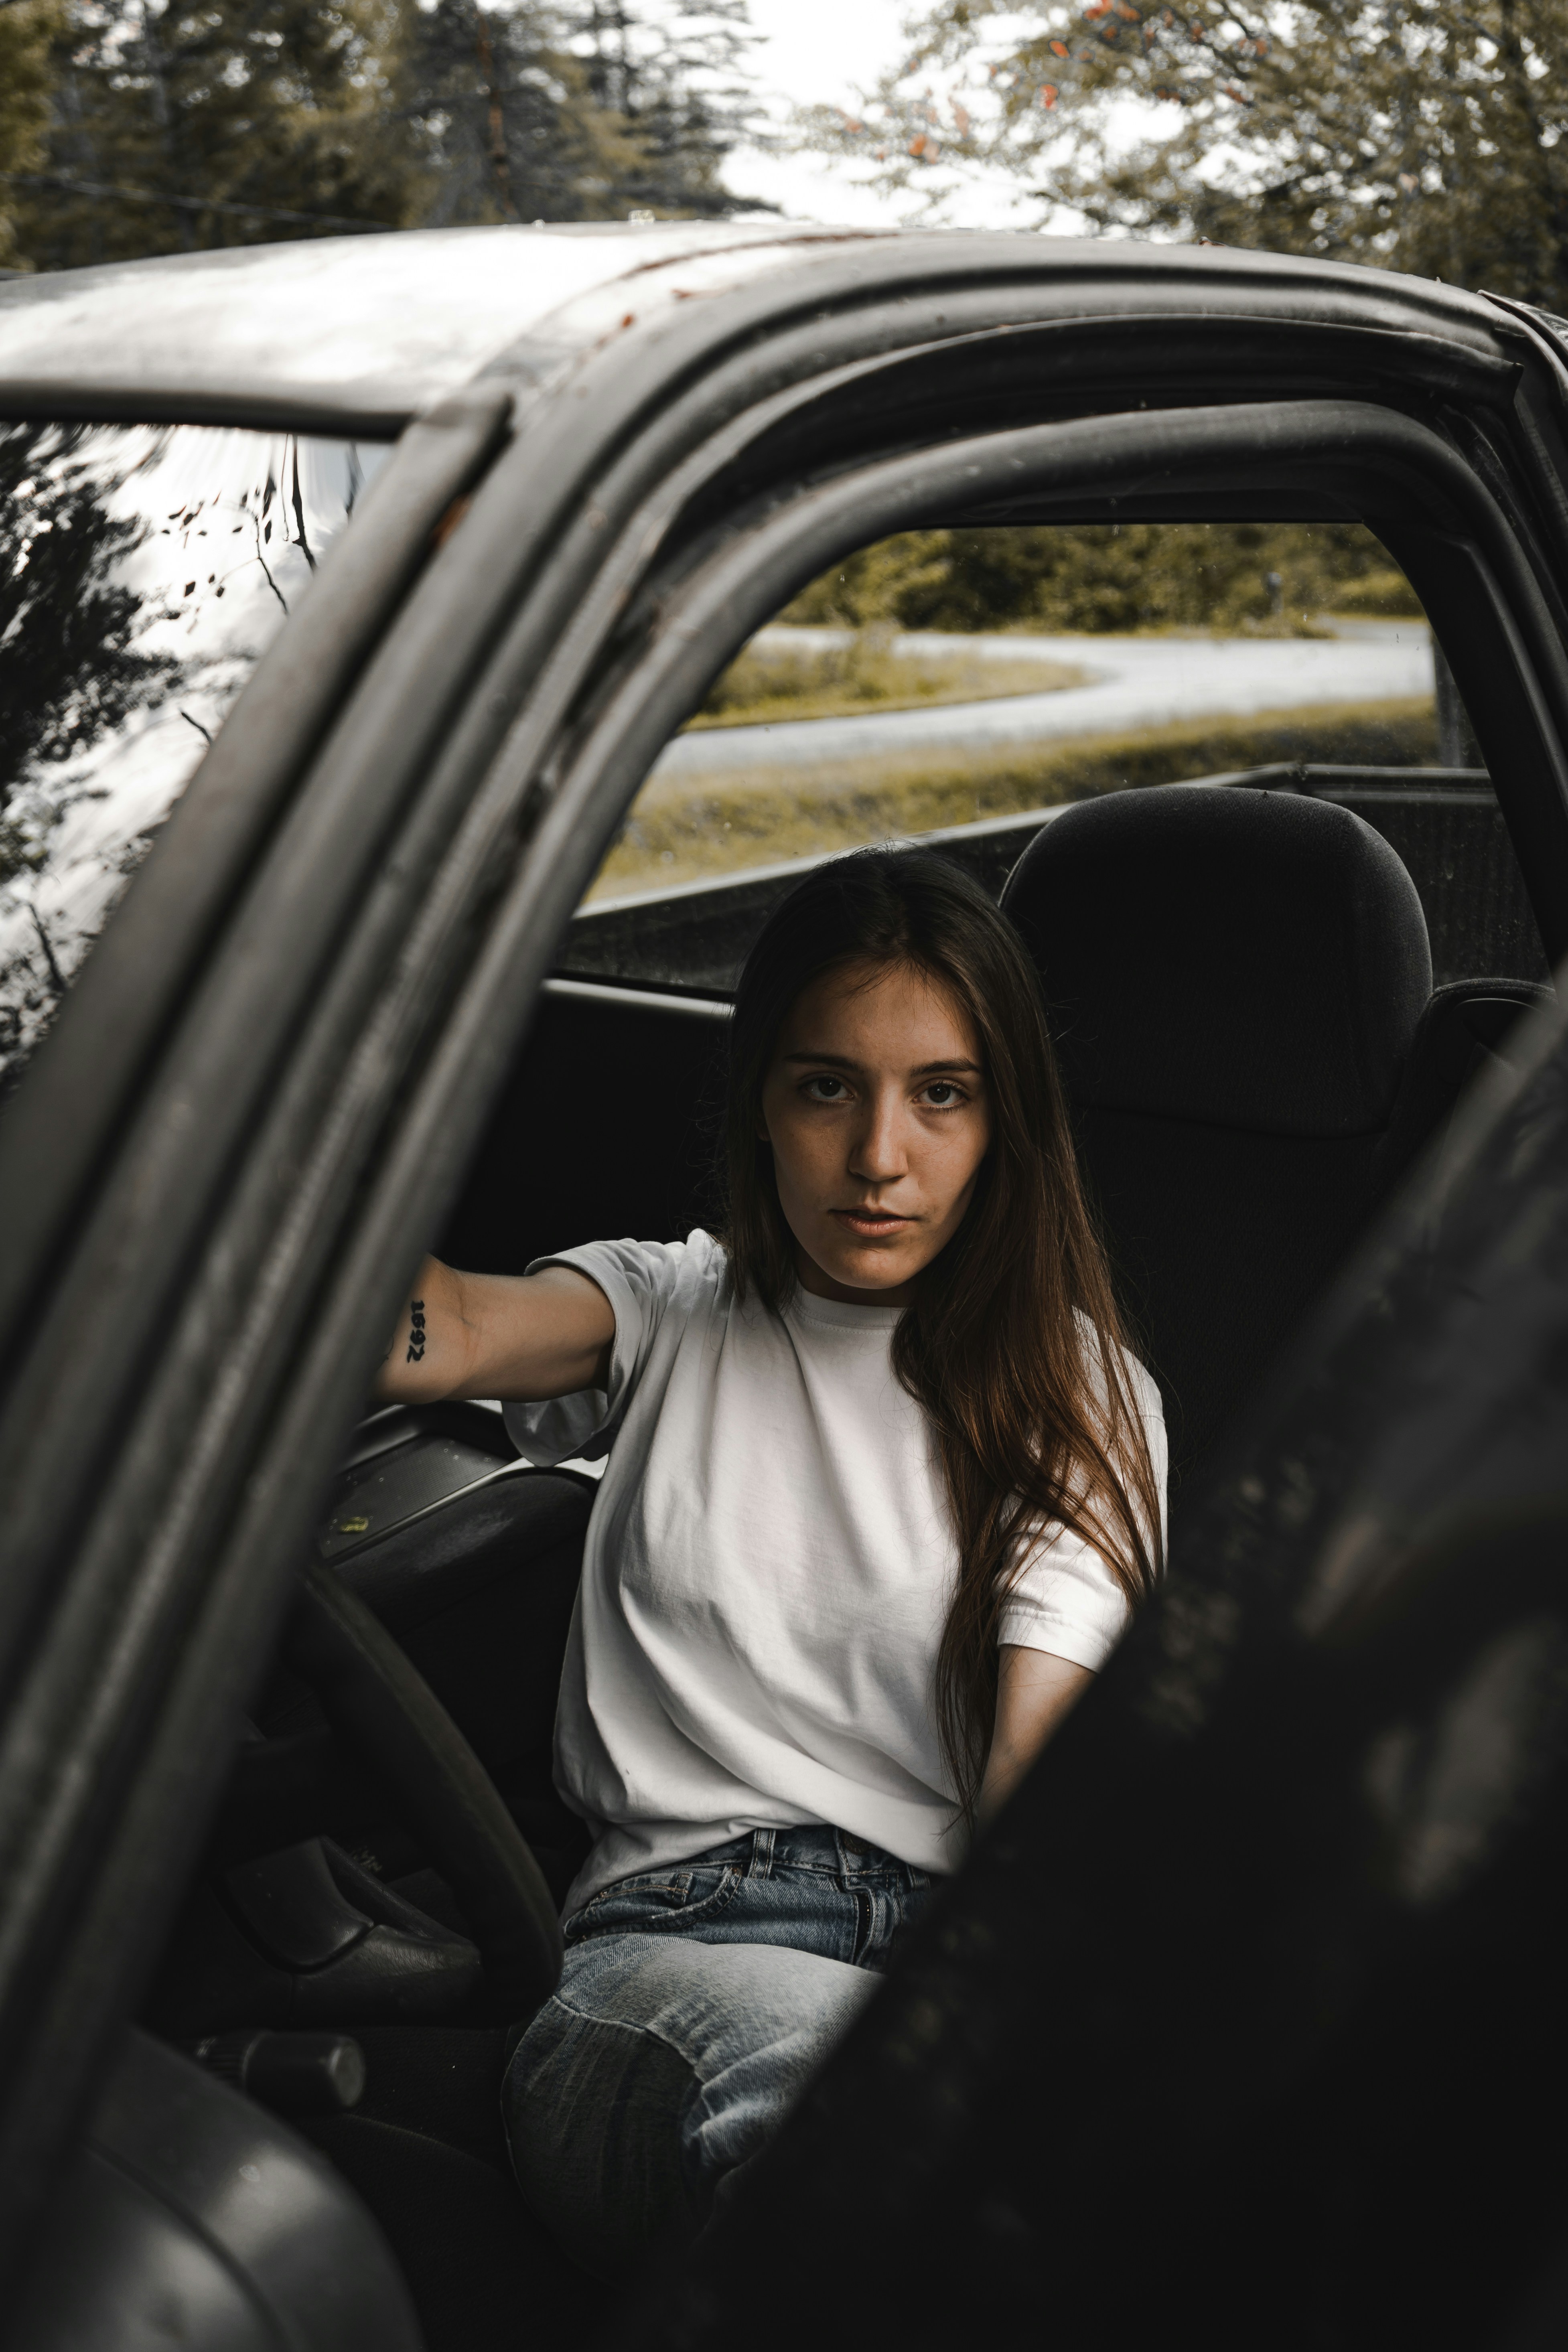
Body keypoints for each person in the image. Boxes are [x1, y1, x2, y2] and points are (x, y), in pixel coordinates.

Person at [376, 846, 1166, 2272]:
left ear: (1004, 1122)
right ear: (762, 1104)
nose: (879, 1157)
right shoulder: (673, 1304)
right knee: (842, 2124)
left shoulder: (1080, 1395)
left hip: (947, 1954)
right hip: (670, 1954)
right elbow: (439, 1328)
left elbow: (1035, 1787)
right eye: (827, 1088)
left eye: (942, 1094)